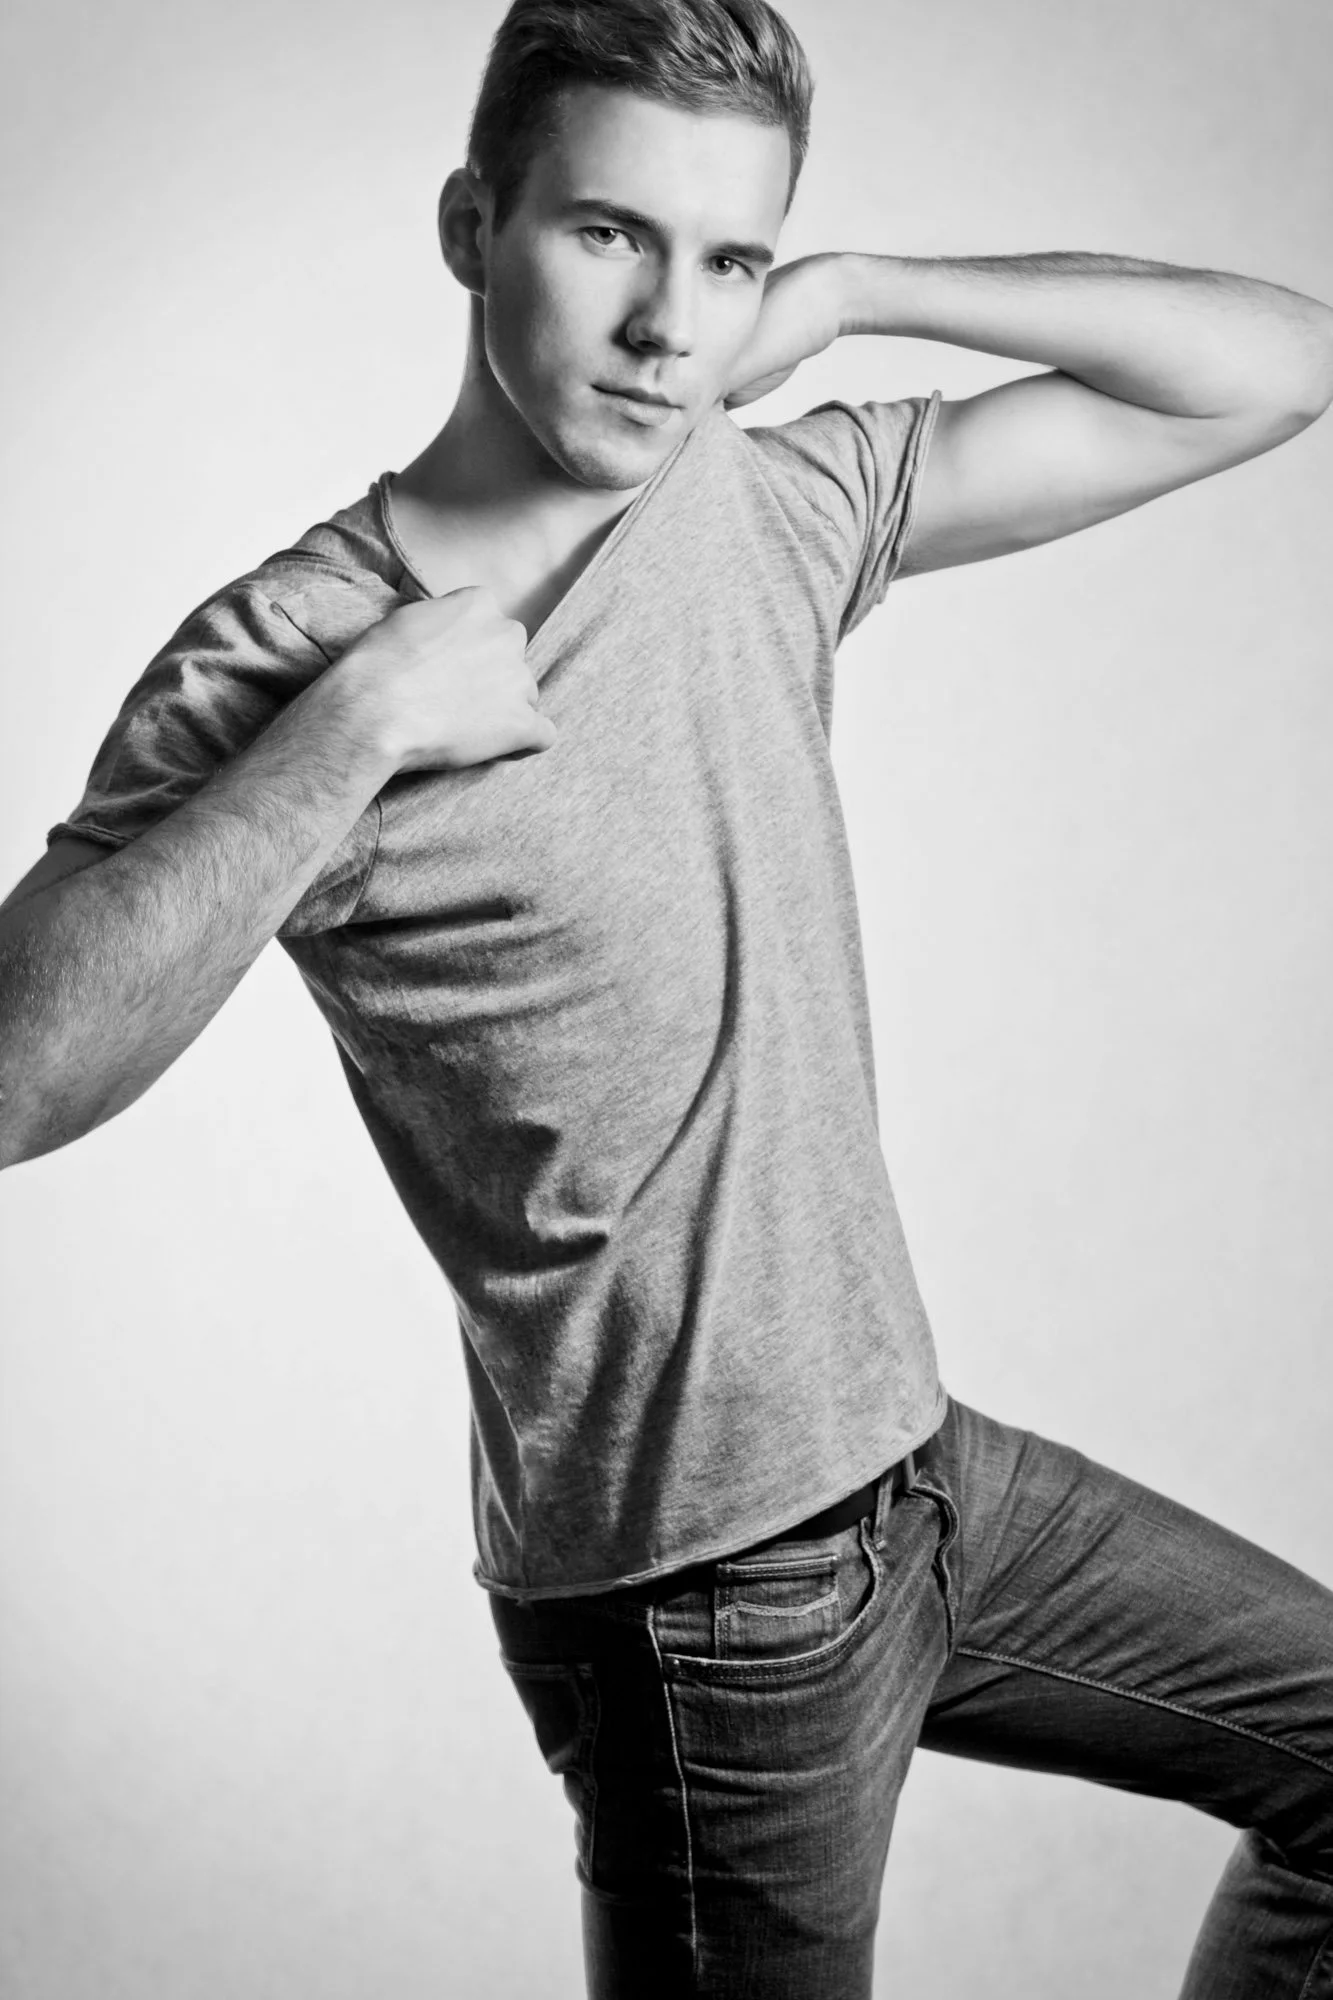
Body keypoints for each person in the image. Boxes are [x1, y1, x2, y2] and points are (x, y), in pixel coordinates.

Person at [2, 0, 1331, 1992]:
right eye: (612, 236)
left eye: (727, 258)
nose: (668, 324)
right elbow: (18, 1069)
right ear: (473, 226)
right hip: (705, 1604)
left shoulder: (761, 512)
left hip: (925, 1479)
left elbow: (1281, 365)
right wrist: (354, 728)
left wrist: (863, 293)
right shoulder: (296, 651)